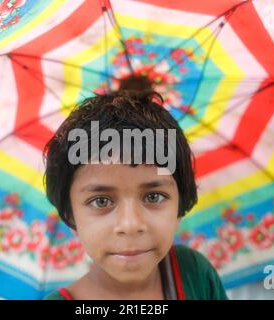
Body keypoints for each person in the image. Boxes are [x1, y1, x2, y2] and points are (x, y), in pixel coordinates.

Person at [42, 90, 228, 300]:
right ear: (69, 213)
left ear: (181, 201)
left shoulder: (194, 274)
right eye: (101, 201)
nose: (130, 225)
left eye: (153, 197)